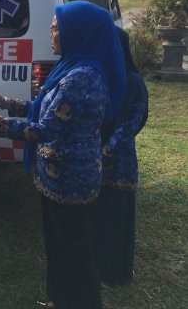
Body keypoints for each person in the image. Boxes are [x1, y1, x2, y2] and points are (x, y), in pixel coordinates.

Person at [0, 0, 126, 309]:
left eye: (57, 28)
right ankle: (60, 299)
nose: (51, 33)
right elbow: (43, 108)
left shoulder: (81, 77)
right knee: (59, 248)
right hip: (55, 177)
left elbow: (44, 130)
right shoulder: (72, 66)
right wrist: (2, 101)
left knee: (75, 254)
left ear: (78, 32)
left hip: (71, 182)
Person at [96, 26, 148, 286]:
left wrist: (104, 152)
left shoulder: (133, 82)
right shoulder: (105, 77)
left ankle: (115, 274)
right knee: (100, 217)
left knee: (116, 218)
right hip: (96, 162)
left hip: (118, 165)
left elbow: (129, 126)